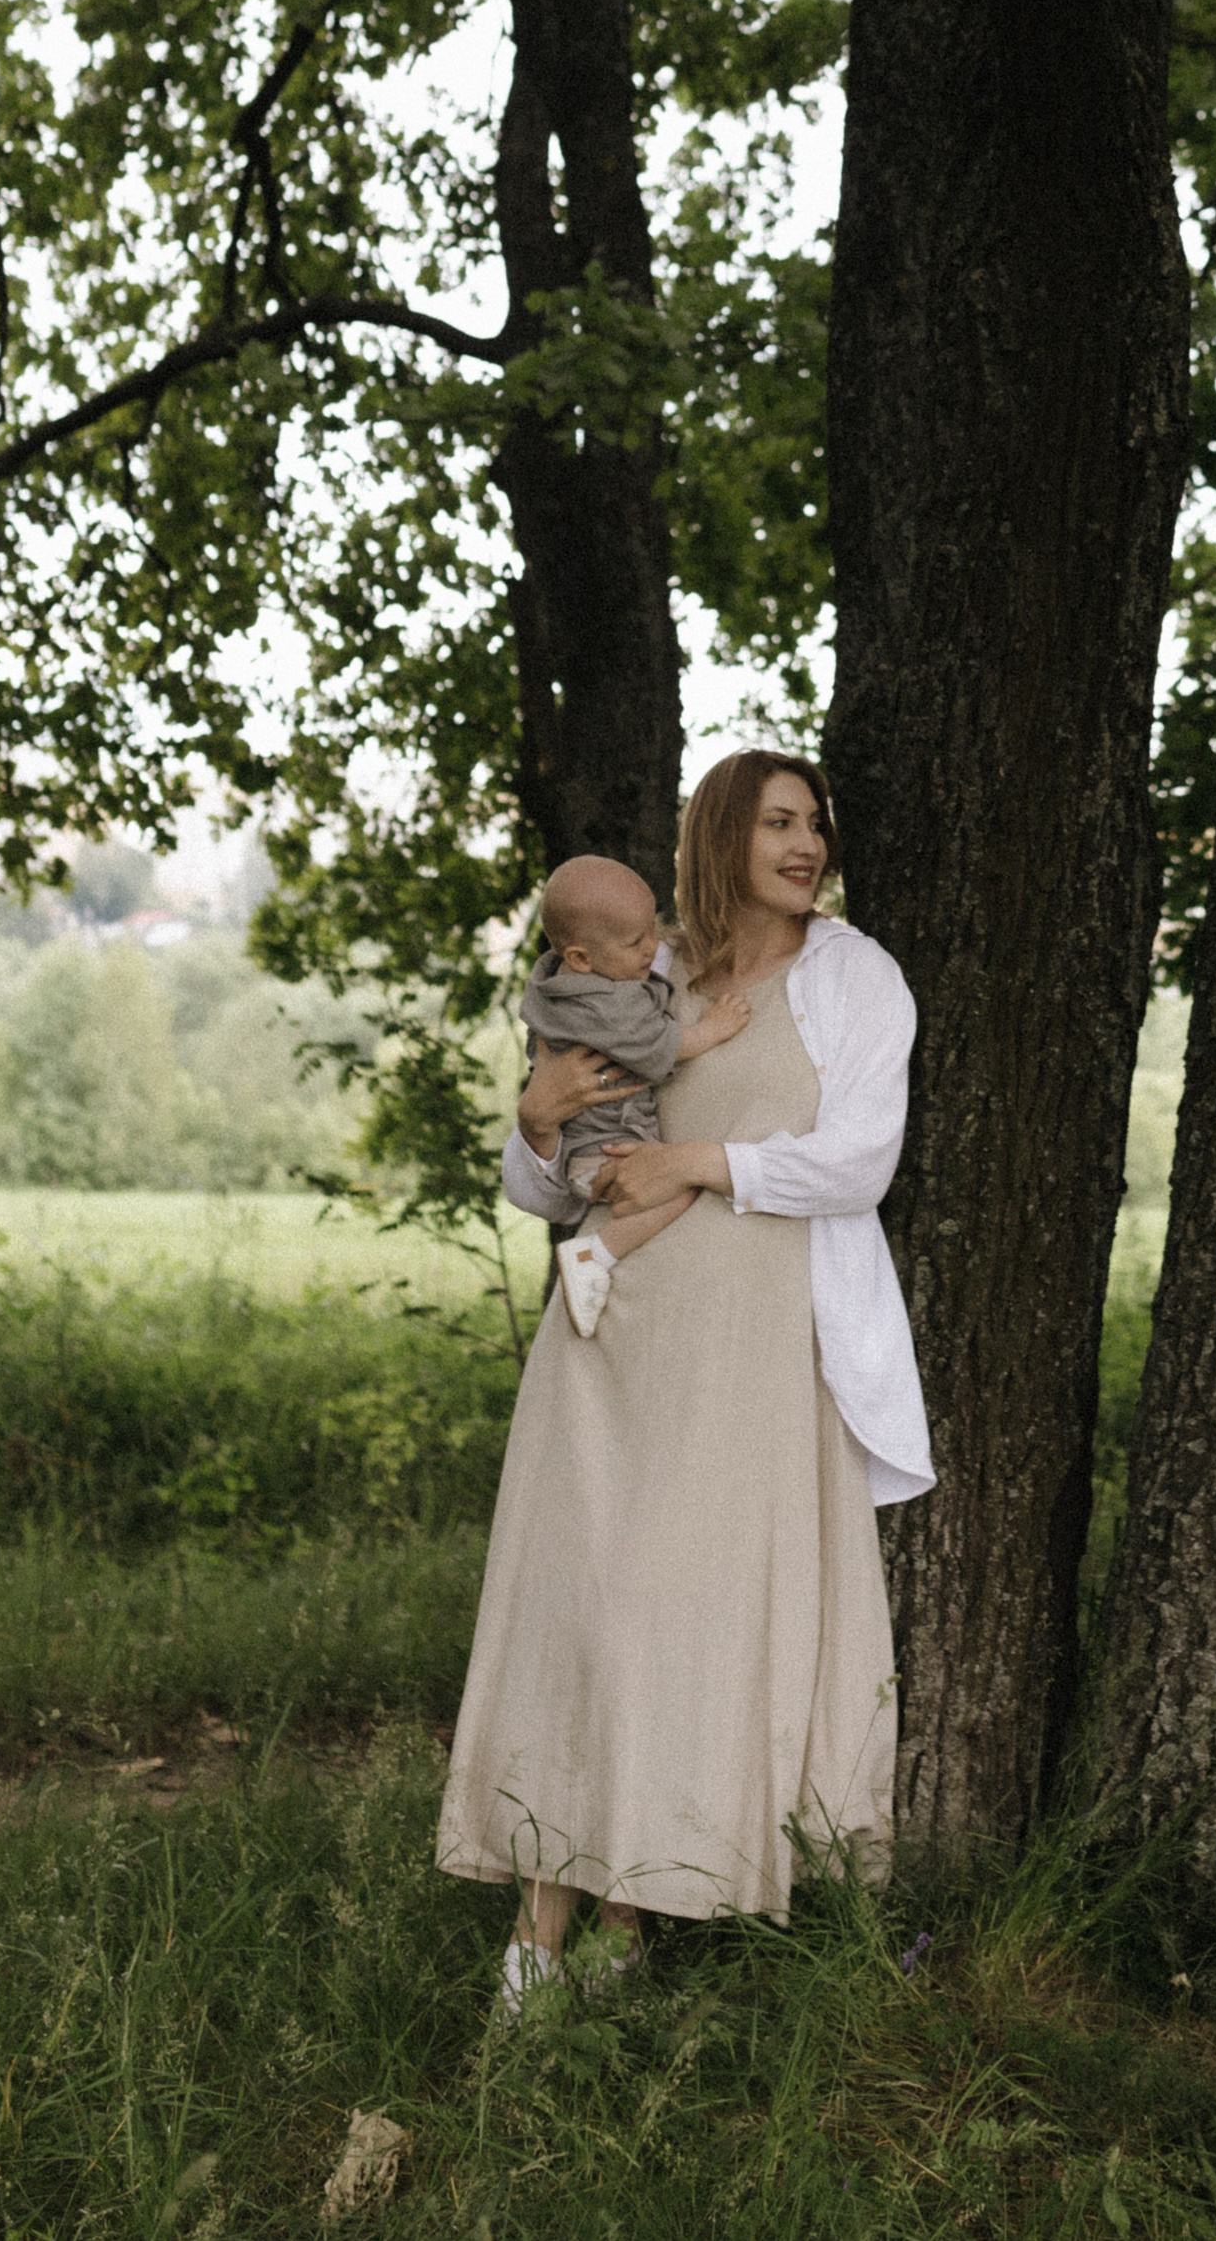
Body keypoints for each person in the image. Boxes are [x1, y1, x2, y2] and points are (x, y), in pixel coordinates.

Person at [436, 751, 935, 2006]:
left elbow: (857, 1161)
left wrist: (696, 1160)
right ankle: (532, 1950)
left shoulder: (854, 977)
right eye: (777, 821)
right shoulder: (644, 977)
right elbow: (550, 1187)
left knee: (687, 1627)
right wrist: (537, 1116)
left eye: (816, 820)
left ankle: (633, 1915)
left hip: (750, 1352)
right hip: (605, 1348)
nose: (806, 842)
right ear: (720, 834)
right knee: (580, 1619)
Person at [517, 850, 748, 1336]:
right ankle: (594, 1253)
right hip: (602, 1149)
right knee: (685, 1185)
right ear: (581, 958)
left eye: (655, 926)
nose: (652, 947)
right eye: (635, 940)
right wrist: (714, 1028)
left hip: (594, 1144)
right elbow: (660, 1047)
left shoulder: (557, 983)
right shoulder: (605, 1005)